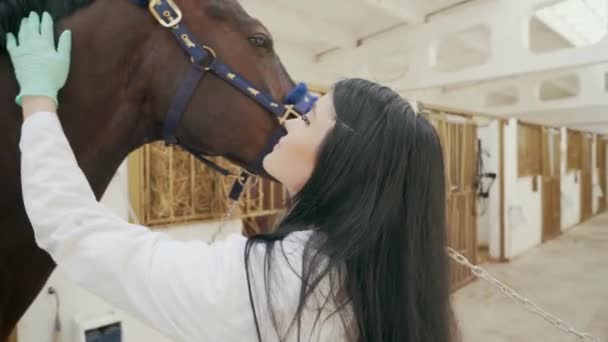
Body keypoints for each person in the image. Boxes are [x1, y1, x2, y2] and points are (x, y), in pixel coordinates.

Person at [8, 11, 457, 342]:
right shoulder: (379, 275)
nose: (293, 115)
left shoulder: (274, 286)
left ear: (346, 158)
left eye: (315, 114)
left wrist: (39, 101)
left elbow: (76, 231)